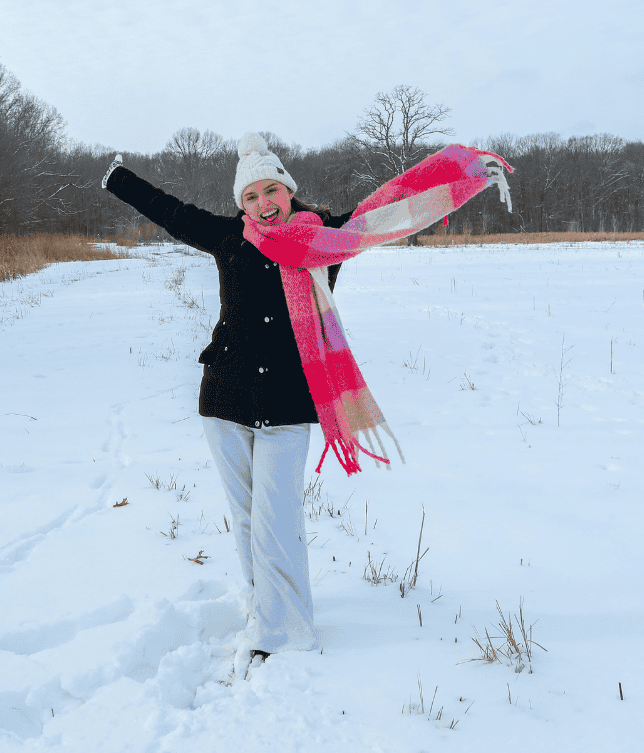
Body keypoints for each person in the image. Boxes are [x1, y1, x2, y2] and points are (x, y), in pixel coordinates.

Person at [102, 133, 511, 672]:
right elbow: (168, 209)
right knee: (248, 518)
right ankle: (264, 607)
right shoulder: (227, 236)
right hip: (223, 398)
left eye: (271, 190)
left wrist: (464, 175)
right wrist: (119, 178)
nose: (263, 204)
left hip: (289, 402)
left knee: (279, 519)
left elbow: (391, 208)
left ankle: (285, 631)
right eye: (251, 197)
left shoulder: (328, 237)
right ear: (240, 204)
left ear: (290, 192)